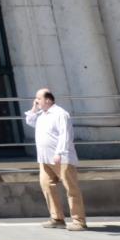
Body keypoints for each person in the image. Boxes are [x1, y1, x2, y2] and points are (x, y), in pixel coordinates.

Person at [25, 87, 86, 231]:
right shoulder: (41, 114)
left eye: (38, 98)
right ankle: (57, 218)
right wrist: (34, 108)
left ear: (48, 99)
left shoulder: (60, 114)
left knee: (71, 188)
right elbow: (29, 120)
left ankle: (79, 220)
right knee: (47, 186)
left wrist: (59, 152)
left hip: (62, 159)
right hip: (44, 158)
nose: (36, 101)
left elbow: (65, 135)